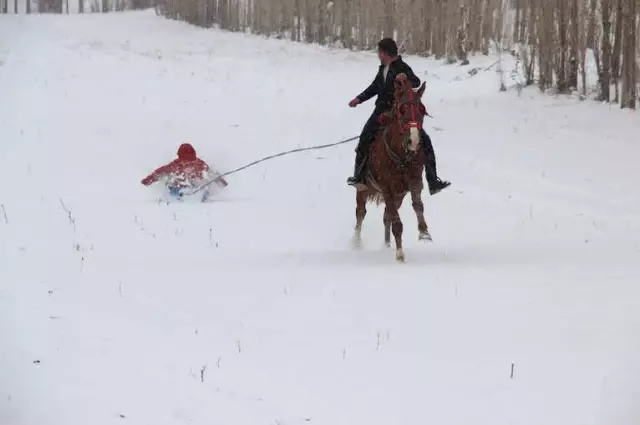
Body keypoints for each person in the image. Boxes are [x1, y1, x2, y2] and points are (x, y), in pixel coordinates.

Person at [347, 38, 451, 195]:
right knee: (364, 138)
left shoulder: (402, 67)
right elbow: (375, 87)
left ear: (384, 53)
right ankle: (359, 177)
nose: (378, 55)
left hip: (400, 113)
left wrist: (405, 78)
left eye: (379, 52)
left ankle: (433, 181)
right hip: (380, 111)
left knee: (425, 141)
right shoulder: (383, 68)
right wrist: (359, 99)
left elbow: (416, 82)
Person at [141, 143, 227, 198]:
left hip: (179, 191)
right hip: (197, 189)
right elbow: (212, 174)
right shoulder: (199, 163)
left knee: (170, 181)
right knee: (203, 183)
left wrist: (147, 181)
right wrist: (222, 183)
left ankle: (175, 198)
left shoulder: (176, 164)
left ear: (179, 153)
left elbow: (160, 172)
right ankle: (202, 195)